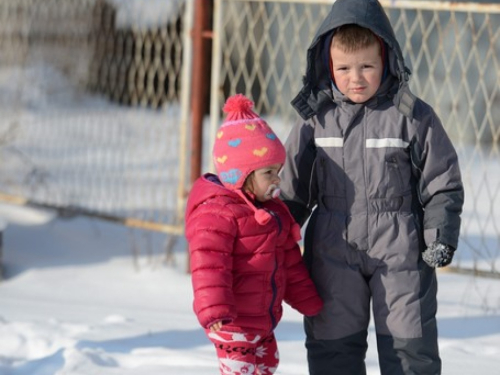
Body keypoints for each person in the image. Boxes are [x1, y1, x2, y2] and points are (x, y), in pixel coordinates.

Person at [279, 0, 464, 374]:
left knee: (409, 346)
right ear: (328, 67)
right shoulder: (316, 120)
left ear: (387, 61)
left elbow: (442, 182)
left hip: (400, 248)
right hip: (332, 247)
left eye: (367, 66)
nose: (356, 78)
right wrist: (275, 238)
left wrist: (440, 233)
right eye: (344, 68)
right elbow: (291, 188)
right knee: (333, 345)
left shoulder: (411, 115)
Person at [185, 93, 323, 375]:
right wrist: (215, 309)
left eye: (278, 171)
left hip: (263, 320)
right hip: (232, 322)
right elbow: (208, 266)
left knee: (268, 366)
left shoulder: (273, 212)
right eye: (269, 172)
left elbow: (289, 261)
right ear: (241, 174)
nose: (277, 180)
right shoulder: (217, 213)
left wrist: (308, 300)